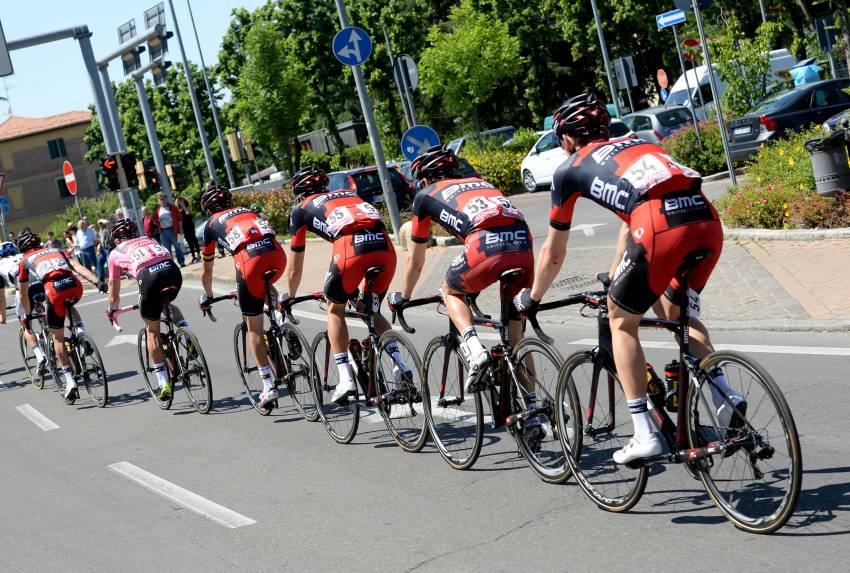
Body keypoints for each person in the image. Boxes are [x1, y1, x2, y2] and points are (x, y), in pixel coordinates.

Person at [513, 93, 739, 464]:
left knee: (621, 320)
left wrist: (532, 298)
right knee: (675, 311)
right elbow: (628, 221)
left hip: (659, 227)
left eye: (560, 140)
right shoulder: (638, 143)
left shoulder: (569, 170)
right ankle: (725, 396)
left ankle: (644, 433)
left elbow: (553, 253)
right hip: (705, 220)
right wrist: (616, 269)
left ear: (568, 138)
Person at [387, 146, 540, 438]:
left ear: (424, 179)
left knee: (451, 291)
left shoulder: (425, 195)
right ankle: (531, 412)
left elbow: (416, 260)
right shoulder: (482, 183)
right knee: (515, 341)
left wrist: (404, 296)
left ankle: (473, 349)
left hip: (485, 245)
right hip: (523, 244)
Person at [285, 166, 403, 404]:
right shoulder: (349, 195)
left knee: (335, 308)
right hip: (385, 247)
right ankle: (401, 365)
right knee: (369, 309)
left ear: (299, 194)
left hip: (351, 249)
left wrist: (290, 296)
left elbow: (295, 267)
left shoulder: (301, 209)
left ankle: (346, 378)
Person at [197, 182, 286, 409]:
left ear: (208, 209)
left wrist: (207, 295)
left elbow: (207, 269)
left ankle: (268, 385)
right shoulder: (247, 211)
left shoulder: (211, 225)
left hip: (250, 262)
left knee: (253, 327)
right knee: (264, 282)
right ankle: (282, 318)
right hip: (277, 255)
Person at [106, 219, 189, 400]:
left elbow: (114, 289)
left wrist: (112, 309)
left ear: (117, 239)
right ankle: (188, 334)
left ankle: (163, 383)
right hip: (172, 271)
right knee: (167, 304)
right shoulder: (149, 239)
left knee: (152, 331)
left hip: (149, 277)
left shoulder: (115, 253)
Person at [17, 231, 105, 400]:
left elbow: (22, 294)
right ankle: (80, 332)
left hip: (53, 290)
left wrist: (27, 315)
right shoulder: (56, 249)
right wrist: (97, 282)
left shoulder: (25, 260)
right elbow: (78, 267)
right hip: (75, 285)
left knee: (57, 338)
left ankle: (70, 381)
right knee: (69, 305)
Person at [153, 193, 186, 267]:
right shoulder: (157, 209)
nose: (162, 201)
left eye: (163, 199)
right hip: (163, 232)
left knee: (178, 246)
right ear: (159, 201)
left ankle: (181, 262)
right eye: (160, 199)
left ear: (166, 199)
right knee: (167, 250)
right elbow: (154, 219)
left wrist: (181, 229)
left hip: (173, 230)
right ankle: (171, 265)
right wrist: (157, 221)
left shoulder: (173, 207)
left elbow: (180, 218)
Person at [176, 196, 200, 264]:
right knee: (189, 242)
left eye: (181, 200)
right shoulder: (177, 209)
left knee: (194, 240)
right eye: (179, 201)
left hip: (190, 226)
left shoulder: (187, 206)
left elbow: (188, 213)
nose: (180, 202)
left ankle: (198, 254)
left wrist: (183, 206)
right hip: (183, 228)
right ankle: (193, 256)